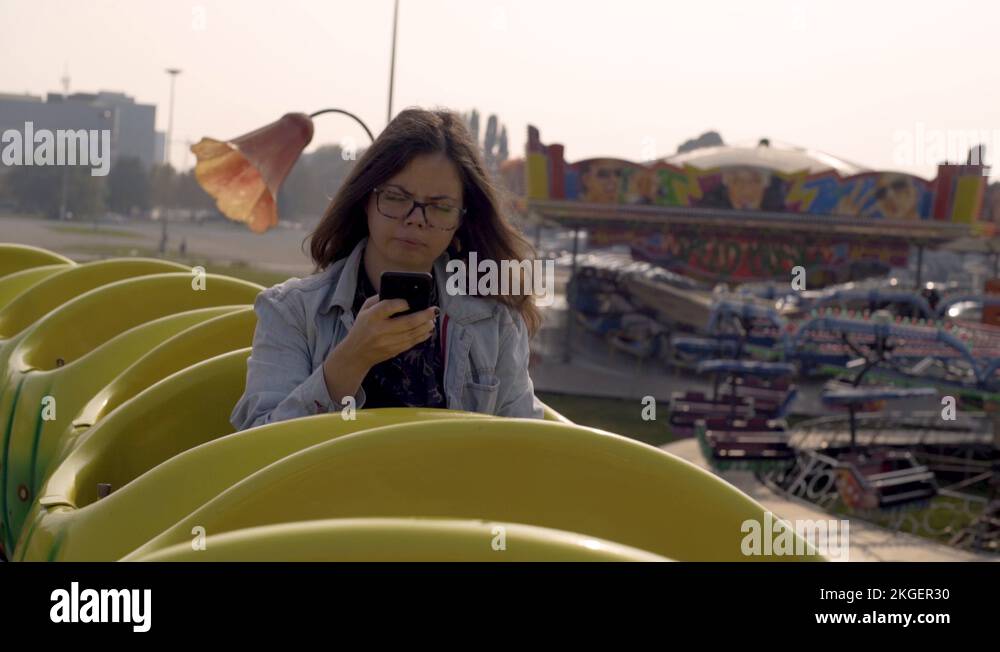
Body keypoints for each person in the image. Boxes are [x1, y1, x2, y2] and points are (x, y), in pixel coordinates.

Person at [229, 108, 545, 431]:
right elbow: (258, 445)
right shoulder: (291, 312)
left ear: (461, 220)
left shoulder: (496, 321)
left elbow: (526, 447)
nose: (416, 218)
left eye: (440, 207)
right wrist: (349, 362)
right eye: (396, 197)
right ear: (366, 199)